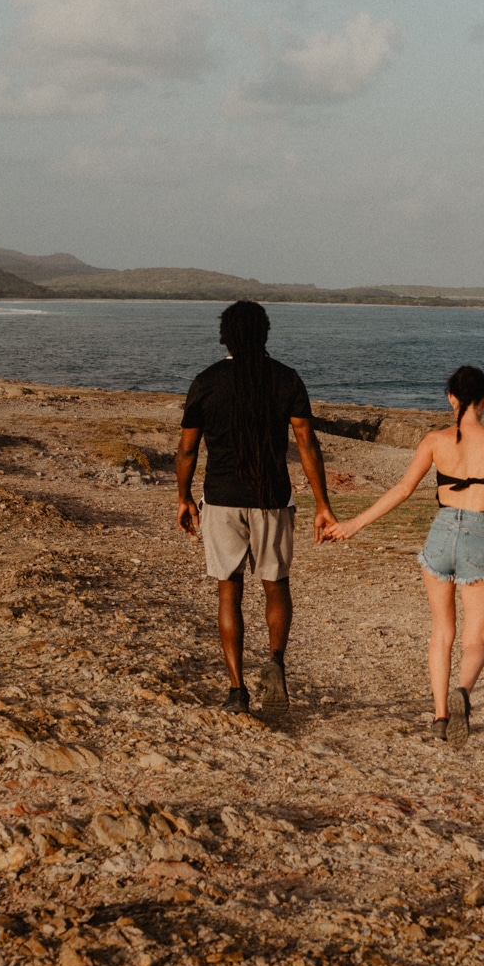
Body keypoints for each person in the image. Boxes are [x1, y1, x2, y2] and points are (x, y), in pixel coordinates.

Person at [324, 365, 484, 742]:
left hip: (440, 534)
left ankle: (440, 717)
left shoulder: (435, 440)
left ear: (451, 398)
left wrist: (354, 524)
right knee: (476, 639)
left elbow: (403, 489)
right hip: (481, 534)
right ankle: (463, 693)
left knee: (442, 633)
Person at [175, 300, 338, 715]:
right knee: (276, 584)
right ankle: (276, 662)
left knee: (229, 591)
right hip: (273, 499)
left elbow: (188, 449)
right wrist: (323, 503)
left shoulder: (206, 382)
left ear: (224, 335)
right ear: (265, 333)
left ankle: (237, 692)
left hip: (222, 499)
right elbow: (306, 444)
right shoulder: (286, 379)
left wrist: (183, 497)